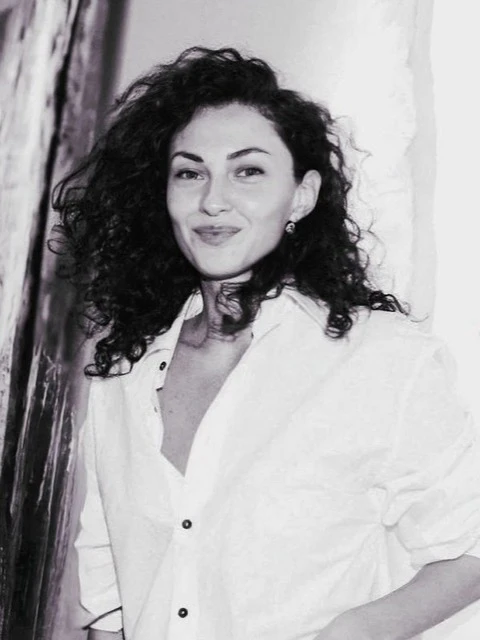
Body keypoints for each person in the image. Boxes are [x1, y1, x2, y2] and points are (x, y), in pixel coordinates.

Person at [53, 47, 480, 640]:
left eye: (248, 171)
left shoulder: (380, 358)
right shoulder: (125, 369)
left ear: (301, 196)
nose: (213, 200)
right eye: (190, 172)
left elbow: (470, 546)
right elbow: (110, 593)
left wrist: (354, 631)